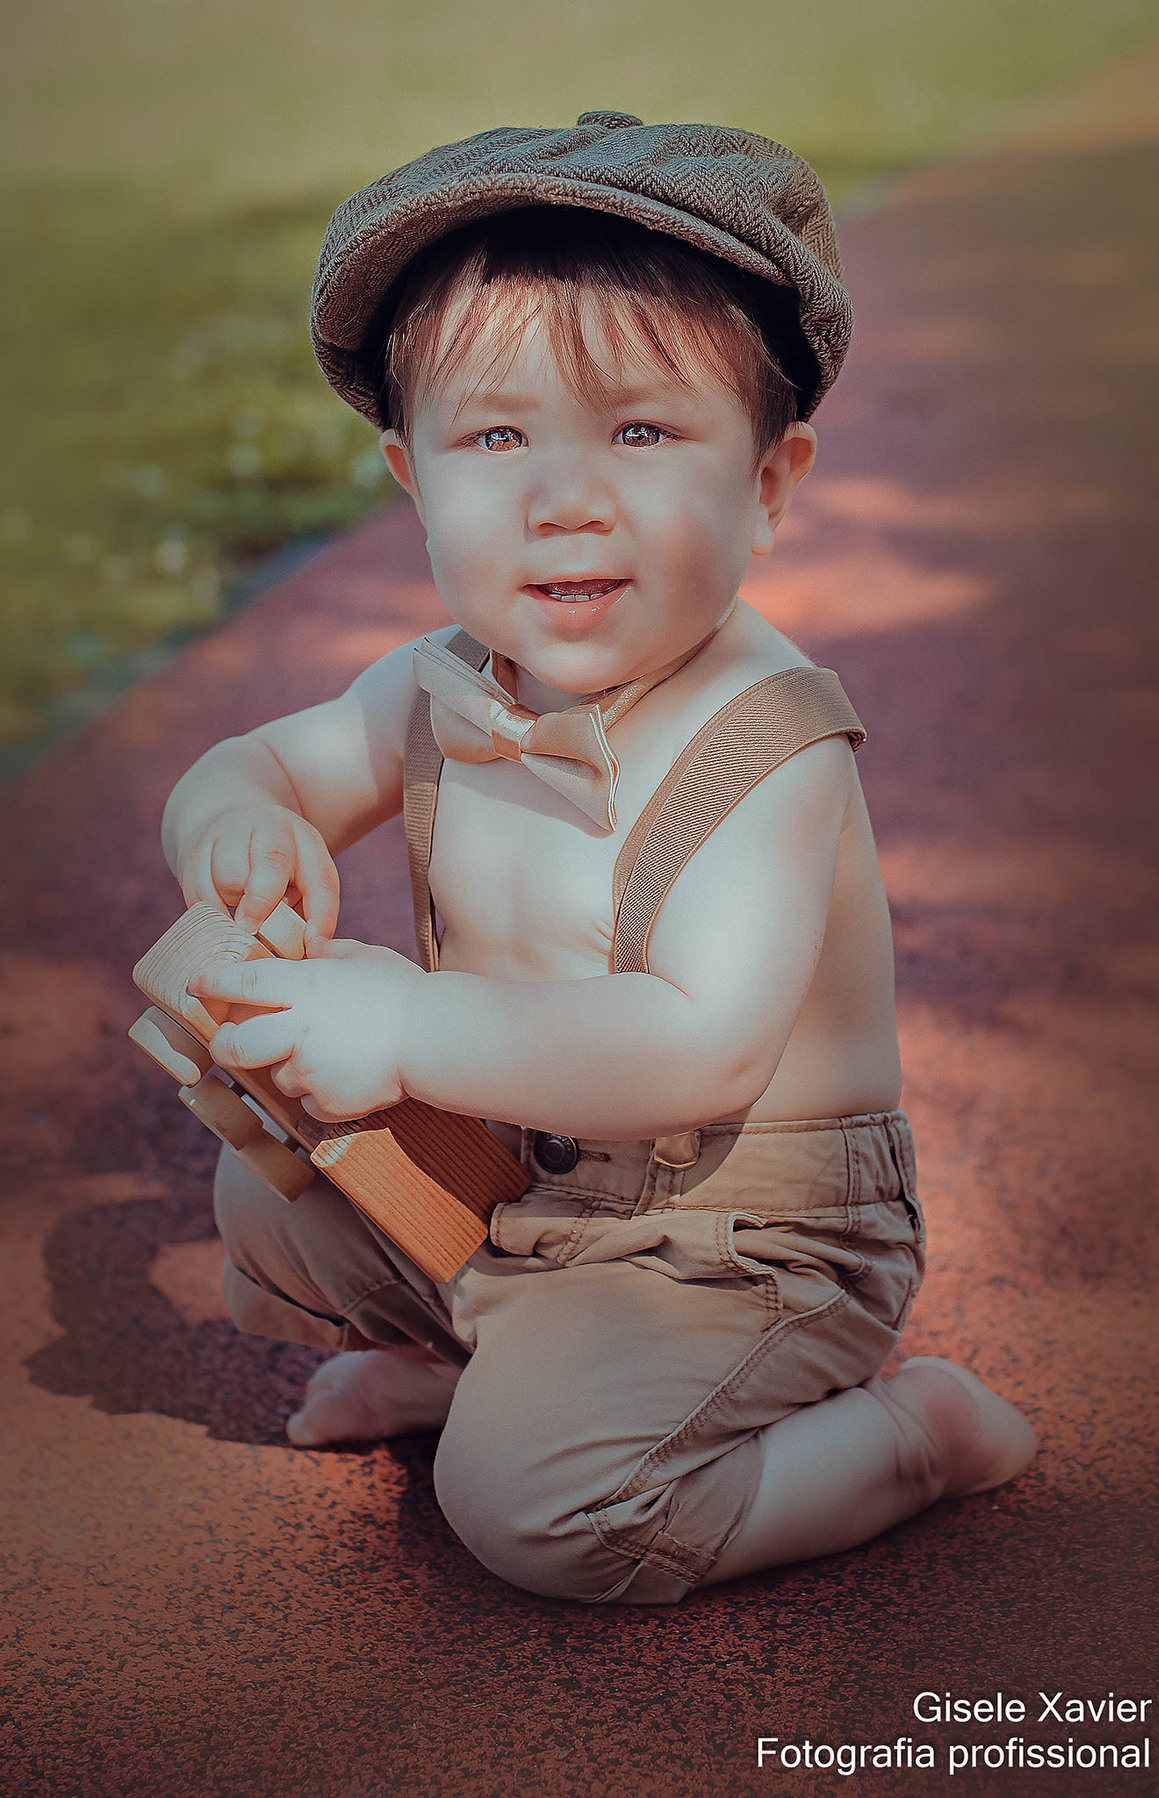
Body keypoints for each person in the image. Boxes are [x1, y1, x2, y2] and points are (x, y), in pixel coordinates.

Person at [163, 111, 1037, 1605]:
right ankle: (486, 1360)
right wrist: (240, 819)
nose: (565, 498)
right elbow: (256, 764)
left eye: (641, 432)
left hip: (742, 1236)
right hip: (527, 1186)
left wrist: (408, 1028)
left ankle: (905, 1436)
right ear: (411, 478)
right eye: (497, 437)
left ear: (769, 483)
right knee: (271, 1203)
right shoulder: (444, 681)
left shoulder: (767, 744)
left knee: (536, 1514)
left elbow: (700, 1046)